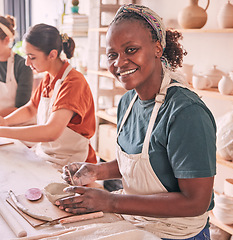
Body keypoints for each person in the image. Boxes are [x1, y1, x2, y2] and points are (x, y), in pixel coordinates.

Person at [56, 4, 216, 239]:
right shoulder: (128, 102)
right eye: (112, 55)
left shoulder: (186, 112)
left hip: (178, 233)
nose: (119, 63)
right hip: (137, 222)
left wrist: (111, 201)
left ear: (157, 48)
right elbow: (142, 163)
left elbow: (195, 202)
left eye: (131, 50)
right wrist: (97, 171)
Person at [0, 23, 97, 167]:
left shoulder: (73, 83)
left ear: (52, 54)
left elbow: (51, 132)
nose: (27, 63)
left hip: (73, 163)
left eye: (32, 57)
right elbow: (31, 108)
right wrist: (5, 121)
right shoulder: (49, 77)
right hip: (48, 154)